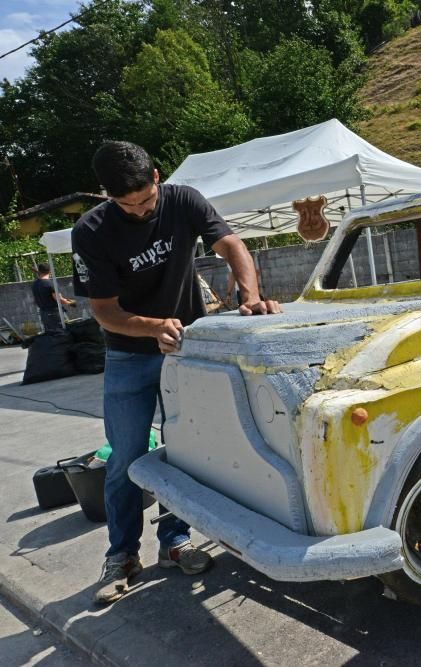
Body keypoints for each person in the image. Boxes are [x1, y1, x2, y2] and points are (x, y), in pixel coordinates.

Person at [71, 141, 282, 605]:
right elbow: (105, 311)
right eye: (127, 205)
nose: (142, 210)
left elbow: (232, 246)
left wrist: (249, 295)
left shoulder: (183, 199)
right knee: (126, 458)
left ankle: (174, 541)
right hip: (130, 356)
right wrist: (151, 328)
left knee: (187, 450)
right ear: (107, 197)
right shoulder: (92, 231)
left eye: (147, 199)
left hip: (189, 350)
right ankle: (122, 555)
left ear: (157, 176)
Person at [31, 263, 75, 332]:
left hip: (43, 313)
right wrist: (70, 303)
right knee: (60, 334)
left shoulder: (35, 284)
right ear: (50, 271)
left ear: (39, 270)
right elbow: (59, 299)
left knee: (50, 335)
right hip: (54, 314)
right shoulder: (50, 284)